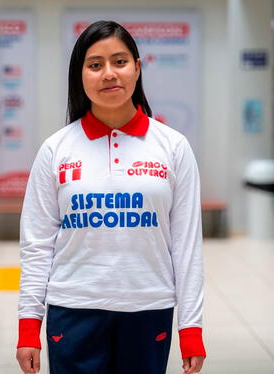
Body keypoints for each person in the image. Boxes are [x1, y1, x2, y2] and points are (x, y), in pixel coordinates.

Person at [16, 20, 206, 374]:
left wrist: (191, 328)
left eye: (119, 61)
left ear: (137, 67)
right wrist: (29, 326)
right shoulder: (56, 149)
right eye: (95, 64)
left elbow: (187, 244)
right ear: (80, 75)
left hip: (149, 309)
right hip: (73, 309)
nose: (109, 74)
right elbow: (36, 244)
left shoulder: (173, 147)